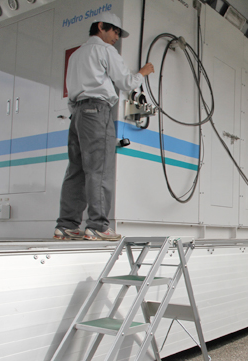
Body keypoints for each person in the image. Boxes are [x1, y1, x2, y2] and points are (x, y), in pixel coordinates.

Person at [53, 12, 154, 241]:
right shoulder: (105, 51)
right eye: (115, 31)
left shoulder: (76, 55)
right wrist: (143, 72)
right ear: (101, 27)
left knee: (76, 171)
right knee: (99, 170)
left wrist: (80, 112)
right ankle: (98, 226)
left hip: (77, 114)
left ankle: (66, 225)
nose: (116, 37)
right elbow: (126, 83)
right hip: (98, 112)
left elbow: (70, 92)